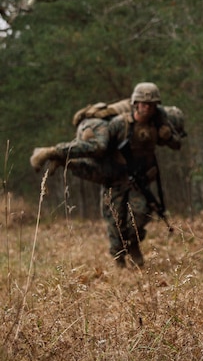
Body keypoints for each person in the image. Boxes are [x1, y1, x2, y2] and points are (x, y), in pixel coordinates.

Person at [31, 82, 186, 268]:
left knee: (141, 215)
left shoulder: (159, 123)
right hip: (114, 176)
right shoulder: (120, 124)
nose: (147, 107)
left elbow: (177, 143)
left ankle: (133, 245)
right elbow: (96, 148)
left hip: (139, 180)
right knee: (115, 223)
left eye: (151, 104)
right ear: (135, 103)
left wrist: (168, 137)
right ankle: (119, 261)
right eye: (143, 103)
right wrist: (62, 151)